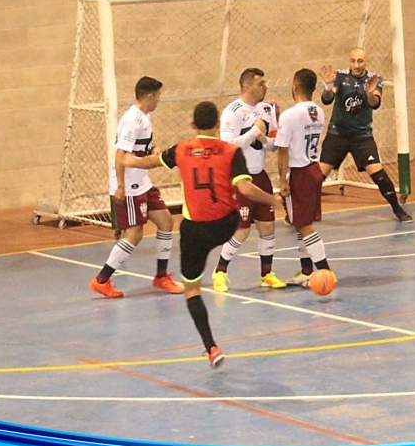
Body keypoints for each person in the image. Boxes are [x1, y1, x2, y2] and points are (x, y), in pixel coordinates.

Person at [121, 101, 285, 368]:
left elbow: (152, 162)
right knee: (240, 228)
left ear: (193, 125)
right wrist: (272, 200)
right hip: (225, 224)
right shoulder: (232, 151)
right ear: (218, 124)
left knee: (192, 289)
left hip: (195, 230)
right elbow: (245, 188)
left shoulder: (183, 148)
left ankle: (211, 347)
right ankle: (225, 267)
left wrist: (129, 160)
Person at [89, 76, 183, 298]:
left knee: (166, 221)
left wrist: (155, 150)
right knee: (134, 233)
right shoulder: (132, 120)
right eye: (158, 96)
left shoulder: (144, 118)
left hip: (143, 182)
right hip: (130, 185)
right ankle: (102, 279)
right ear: (149, 96)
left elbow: (144, 146)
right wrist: (121, 186)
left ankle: (162, 276)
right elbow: (120, 155)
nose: (159, 100)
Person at [212, 68, 286, 293]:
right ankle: (220, 272)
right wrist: (254, 131)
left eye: (265, 82)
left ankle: (267, 274)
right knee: (242, 230)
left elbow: (274, 146)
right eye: (260, 83)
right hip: (239, 176)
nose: (265, 87)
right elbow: (227, 148)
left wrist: (265, 138)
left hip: (260, 173)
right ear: (246, 87)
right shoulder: (233, 112)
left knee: (267, 226)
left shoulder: (267, 109)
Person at [319, 47, 412, 223]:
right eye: (353, 61)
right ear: (349, 61)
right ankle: (297, 213)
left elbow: (375, 103)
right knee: (318, 177)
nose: (356, 65)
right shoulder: (340, 77)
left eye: (360, 61)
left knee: (380, 175)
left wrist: (369, 93)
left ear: (366, 62)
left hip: (362, 136)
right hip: (337, 133)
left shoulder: (374, 79)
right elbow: (327, 99)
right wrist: (328, 86)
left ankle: (397, 210)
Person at [276, 69, 333, 287]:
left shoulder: (289, 115)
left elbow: (282, 150)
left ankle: (325, 271)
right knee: (300, 223)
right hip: (314, 168)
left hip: (298, 172)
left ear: (295, 87)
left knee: (304, 225)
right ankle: (307, 271)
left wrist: (282, 181)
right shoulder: (318, 111)